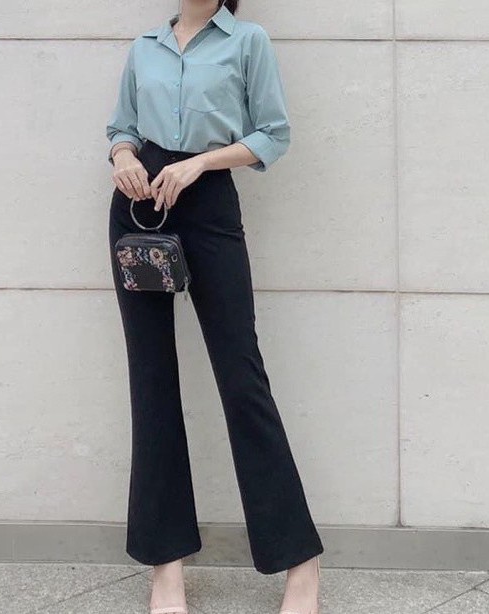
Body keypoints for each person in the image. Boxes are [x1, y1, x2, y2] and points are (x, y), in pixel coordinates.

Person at [106, 2, 323, 613]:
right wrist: (124, 157)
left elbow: (272, 134)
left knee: (241, 377)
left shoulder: (247, 41)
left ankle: (301, 561)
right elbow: (121, 127)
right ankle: (166, 566)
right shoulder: (145, 46)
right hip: (139, 209)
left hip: (208, 204)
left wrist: (200, 162)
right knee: (151, 381)